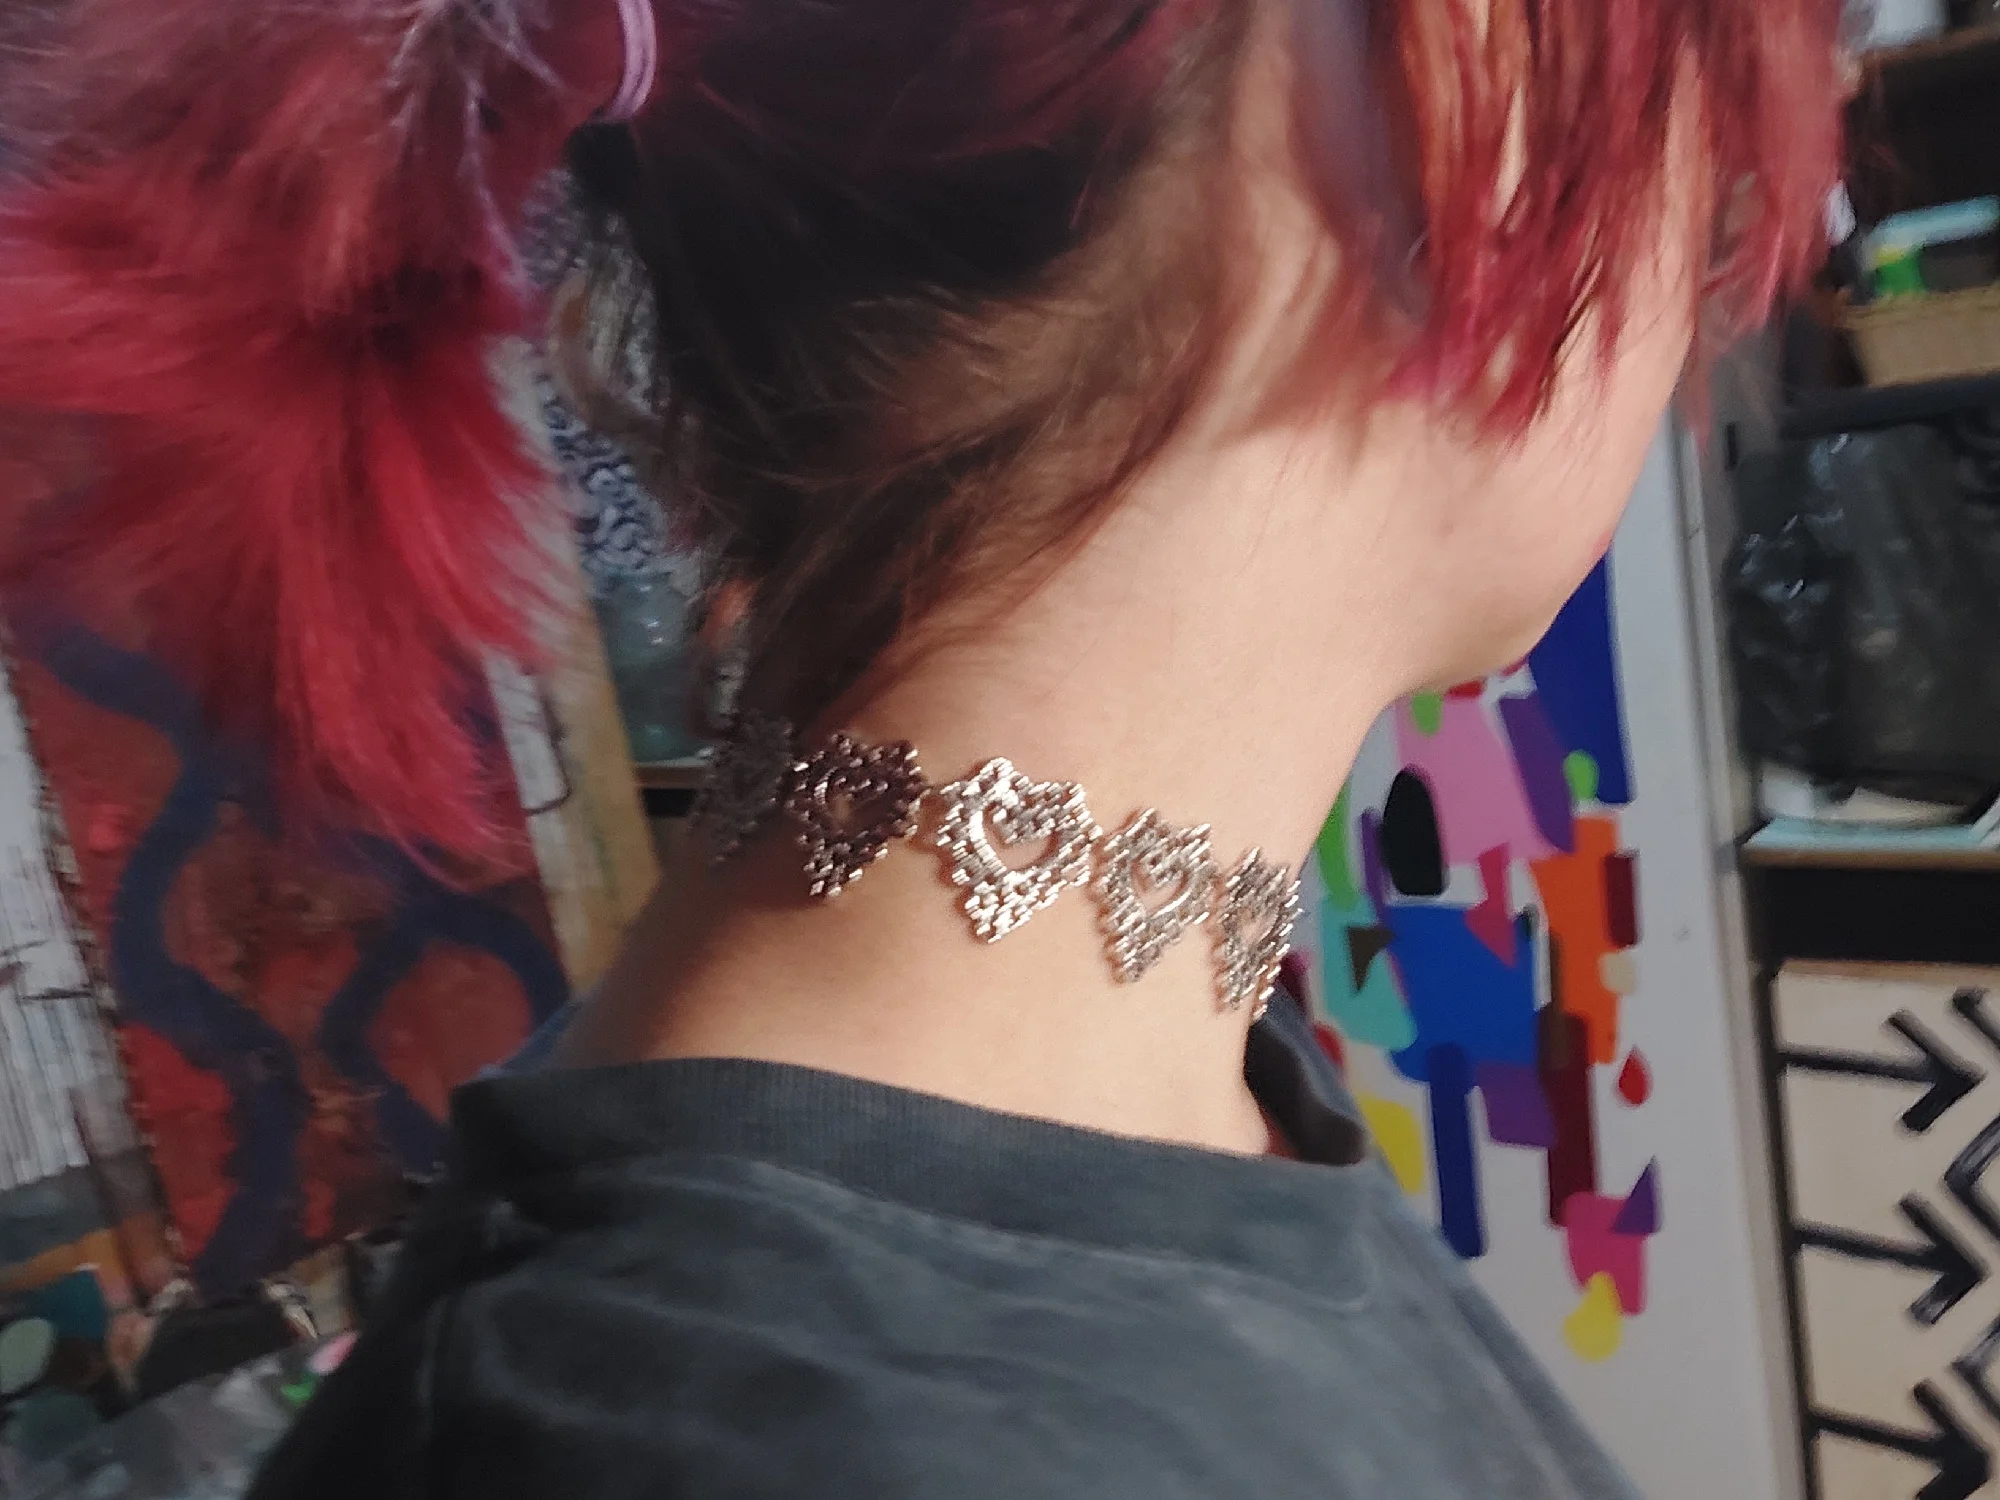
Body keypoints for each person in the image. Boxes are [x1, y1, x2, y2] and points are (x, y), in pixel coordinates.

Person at [0, 0, 1844, 1495]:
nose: (1739, 268)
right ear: (1473, 80)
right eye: (1728, 192)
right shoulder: (770, 1437)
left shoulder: (1162, 1104)